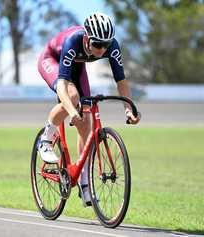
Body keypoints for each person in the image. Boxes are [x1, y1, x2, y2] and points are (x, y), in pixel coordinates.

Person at [37, 12, 141, 206]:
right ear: (86, 38)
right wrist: (71, 109)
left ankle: (84, 181)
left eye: (106, 45)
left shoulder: (111, 46)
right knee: (73, 98)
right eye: (98, 44)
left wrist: (128, 109)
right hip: (51, 60)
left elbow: (121, 81)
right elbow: (62, 85)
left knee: (86, 123)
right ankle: (46, 139)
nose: (102, 50)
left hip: (78, 67)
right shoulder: (72, 41)